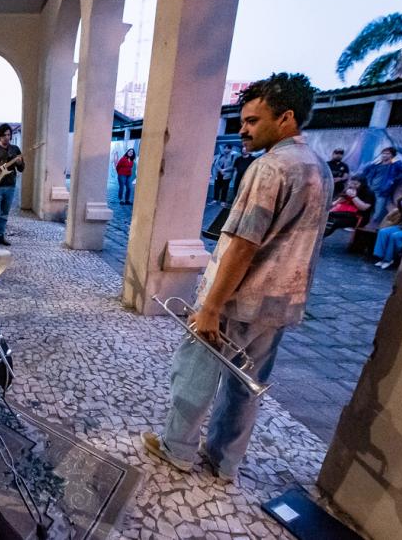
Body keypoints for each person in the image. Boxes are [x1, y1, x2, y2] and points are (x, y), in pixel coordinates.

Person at [141, 73, 331, 482]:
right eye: (243, 121)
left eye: (252, 121)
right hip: (279, 304)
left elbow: (244, 244)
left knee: (195, 374)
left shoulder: (270, 167)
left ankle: (178, 450)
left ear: (286, 118)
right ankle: (225, 462)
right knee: (246, 386)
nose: (242, 129)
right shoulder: (319, 167)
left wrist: (211, 306)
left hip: (236, 300)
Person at [355, 147, 402, 225]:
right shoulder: (377, 163)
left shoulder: (395, 164)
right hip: (370, 189)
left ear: (392, 155)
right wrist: (373, 163)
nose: (384, 155)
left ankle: (372, 226)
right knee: (365, 207)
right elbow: (365, 171)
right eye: (383, 153)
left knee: (378, 211)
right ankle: (359, 224)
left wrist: (394, 180)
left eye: (387, 153)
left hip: (382, 192)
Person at [372, 185, 402, 269]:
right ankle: (381, 257)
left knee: (395, 236)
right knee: (383, 232)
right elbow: (401, 206)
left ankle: (389, 259)